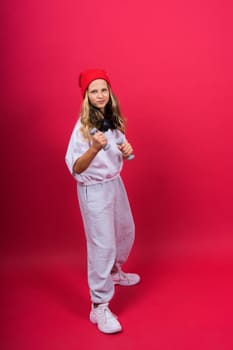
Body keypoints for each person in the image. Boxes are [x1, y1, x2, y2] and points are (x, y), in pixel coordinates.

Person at [65, 69, 140, 334]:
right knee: (102, 245)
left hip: (114, 184)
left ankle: (114, 272)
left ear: (110, 93)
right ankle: (99, 305)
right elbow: (75, 167)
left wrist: (126, 149)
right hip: (93, 189)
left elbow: (122, 149)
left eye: (103, 90)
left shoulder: (112, 120)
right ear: (86, 95)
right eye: (94, 90)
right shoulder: (82, 129)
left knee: (125, 231)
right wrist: (94, 148)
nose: (99, 95)